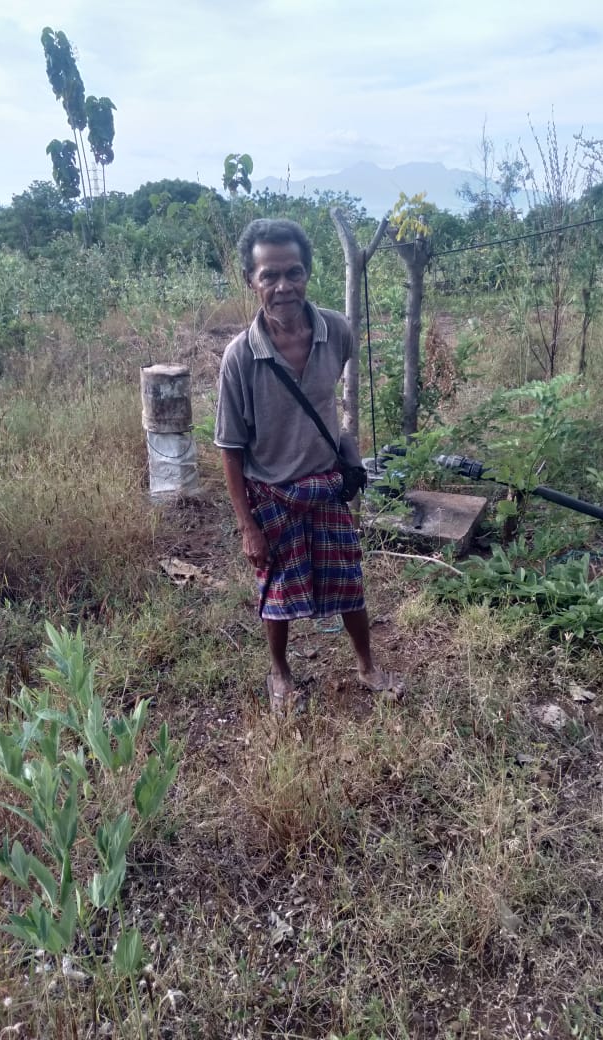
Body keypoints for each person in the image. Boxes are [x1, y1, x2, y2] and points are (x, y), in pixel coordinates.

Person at [214, 218, 404, 714]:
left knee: (349, 580)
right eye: (268, 276)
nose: (283, 287)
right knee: (277, 593)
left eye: (293, 273)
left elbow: (333, 403)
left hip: (325, 488)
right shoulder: (238, 358)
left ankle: (366, 666)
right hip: (271, 494)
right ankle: (279, 673)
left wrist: (348, 457)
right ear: (250, 281)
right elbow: (230, 449)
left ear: (308, 274)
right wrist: (247, 527)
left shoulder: (337, 331)